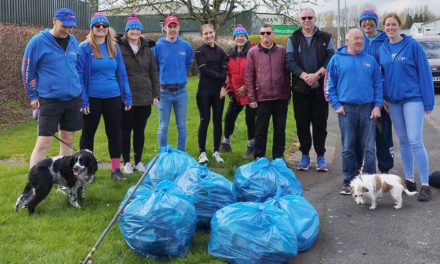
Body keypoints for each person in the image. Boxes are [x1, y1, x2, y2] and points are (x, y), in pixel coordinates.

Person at [379, 13, 435, 202]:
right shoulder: (383, 48)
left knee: (415, 140)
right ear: (384, 27)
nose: (390, 28)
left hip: (413, 99)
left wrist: (428, 101)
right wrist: (383, 98)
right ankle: (409, 179)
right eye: (387, 25)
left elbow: (425, 73)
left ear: (399, 26)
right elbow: (381, 76)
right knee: (402, 140)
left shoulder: (412, 46)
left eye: (393, 24)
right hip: (393, 102)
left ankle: (425, 184)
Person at [325, 28, 383, 195]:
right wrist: (336, 105)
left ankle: (369, 182)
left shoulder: (370, 60)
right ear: (347, 41)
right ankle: (349, 180)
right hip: (346, 110)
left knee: (369, 149)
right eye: (356, 38)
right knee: (348, 147)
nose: (359, 41)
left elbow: (378, 84)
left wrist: (377, 105)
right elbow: (329, 84)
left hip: (368, 109)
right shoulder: (336, 60)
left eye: (361, 39)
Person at [22, 8, 82, 168]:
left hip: (73, 99)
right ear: (54, 21)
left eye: (71, 27)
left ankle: (64, 179)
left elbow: (76, 67)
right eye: (64, 25)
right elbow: (27, 70)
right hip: (49, 100)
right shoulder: (37, 42)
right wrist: (33, 96)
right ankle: (33, 183)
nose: (67, 30)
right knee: (44, 142)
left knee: (68, 139)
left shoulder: (73, 41)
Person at [77, 12, 133, 181]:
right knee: (88, 134)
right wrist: (83, 99)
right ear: (92, 28)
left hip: (113, 97)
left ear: (108, 29)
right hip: (92, 98)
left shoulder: (114, 48)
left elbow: (122, 74)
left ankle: (115, 170)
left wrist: (127, 96)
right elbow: (79, 75)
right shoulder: (84, 48)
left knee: (115, 133)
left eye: (104, 26)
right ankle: (87, 171)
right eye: (97, 25)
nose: (101, 28)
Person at [285, 7, 335, 171]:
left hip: (320, 88)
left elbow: (331, 58)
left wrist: (318, 75)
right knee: (302, 124)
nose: (307, 20)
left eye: (310, 17)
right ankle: (305, 155)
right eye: (304, 18)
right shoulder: (293, 38)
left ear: (315, 19)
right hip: (300, 88)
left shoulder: (326, 37)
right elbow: (289, 61)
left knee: (320, 124)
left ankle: (320, 156)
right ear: (300, 20)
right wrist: (305, 76)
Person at [118, 13, 160, 174]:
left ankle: (139, 161)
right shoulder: (119, 47)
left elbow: (153, 72)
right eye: (131, 29)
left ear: (141, 31)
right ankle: (127, 162)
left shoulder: (147, 48)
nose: (135, 32)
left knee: (139, 130)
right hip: (126, 97)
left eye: (137, 29)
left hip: (144, 95)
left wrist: (155, 94)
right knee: (125, 130)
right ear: (127, 31)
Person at [245, 23, 290, 160]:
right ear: (260, 35)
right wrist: (251, 97)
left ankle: (278, 157)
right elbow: (249, 76)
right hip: (262, 97)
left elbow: (287, 73)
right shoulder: (253, 52)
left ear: (273, 34)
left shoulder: (282, 51)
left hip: (280, 97)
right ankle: (259, 157)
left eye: (268, 33)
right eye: (263, 33)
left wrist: (288, 94)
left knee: (280, 129)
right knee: (260, 130)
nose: (265, 35)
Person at [359, 9, 394, 174]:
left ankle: (385, 170)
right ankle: (365, 171)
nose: (367, 23)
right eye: (364, 21)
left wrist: (385, 97)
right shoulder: (359, 40)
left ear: (376, 22)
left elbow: (390, 70)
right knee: (364, 137)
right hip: (364, 98)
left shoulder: (386, 40)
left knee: (383, 135)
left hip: (383, 98)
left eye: (370, 20)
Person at [152, 16, 194, 151]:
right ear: (165, 28)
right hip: (164, 92)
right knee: (163, 125)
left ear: (179, 28)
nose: (172, 29)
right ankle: (162, 155)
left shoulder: (186, 46)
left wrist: (179, 76)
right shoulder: (158, 47)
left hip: (181, 92)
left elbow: (187, 64)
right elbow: (155, 67)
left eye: (174, 26)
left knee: (181, 125)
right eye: (169, 26)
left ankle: (181, 154)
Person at [219, 24, 257, 158]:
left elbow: (257, 72)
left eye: (242, 36)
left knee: (250, 119)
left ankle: (252, 146)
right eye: (237, 36)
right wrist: (230, 91)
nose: (240, 38)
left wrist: (247, 88)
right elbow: (228, 75)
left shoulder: (253, 51)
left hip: (251, 91)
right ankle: (226, 144)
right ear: (234, 38)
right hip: (236, 93)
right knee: (229, 117)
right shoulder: (230, 54)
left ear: (246, 38)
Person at [195, 24, 227, 163]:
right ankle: (202, 152)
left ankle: (216, 151)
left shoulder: (221, 51)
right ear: (202, 36)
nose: (208, 36)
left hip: (218, 91)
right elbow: (204, 70)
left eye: (210, 32)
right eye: (205, 33)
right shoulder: (199, 51)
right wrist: (222, 78)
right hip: (204, 91)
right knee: (204, 120)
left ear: (214, 32)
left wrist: (224, 86)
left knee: (218, 121)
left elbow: (225, 69)